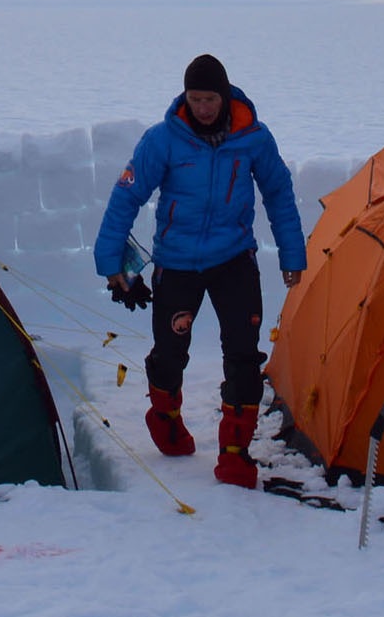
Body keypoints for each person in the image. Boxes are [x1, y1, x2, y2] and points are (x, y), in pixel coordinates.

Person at [93, 52, 306, 488]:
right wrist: (110, 260)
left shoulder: (254, 139)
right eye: (195, 99)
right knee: (170, 354)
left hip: (234, 260)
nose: (203, 108)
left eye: (210, 99)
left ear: (224, 96)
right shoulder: (162, 140)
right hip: (178, 263)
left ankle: (234, 453)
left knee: (243, 357)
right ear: (185, 97)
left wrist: (292, 256)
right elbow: (126, 197)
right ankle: (166, 417)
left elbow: (279, 196)